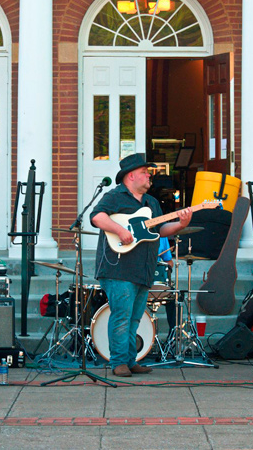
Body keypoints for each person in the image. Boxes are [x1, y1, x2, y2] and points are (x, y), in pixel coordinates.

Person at [91, 153, 192, 377]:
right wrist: (120, 230)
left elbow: (159, 231)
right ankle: (118, 362)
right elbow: (96, 217)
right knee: (121, 316)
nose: (149, 176)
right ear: (131, 176)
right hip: (118, 268)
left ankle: (129, 359)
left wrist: (181, 224)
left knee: (135, 318)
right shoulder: (115, 196)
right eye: (145, 172)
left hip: (143, 268)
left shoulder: (151, 203)